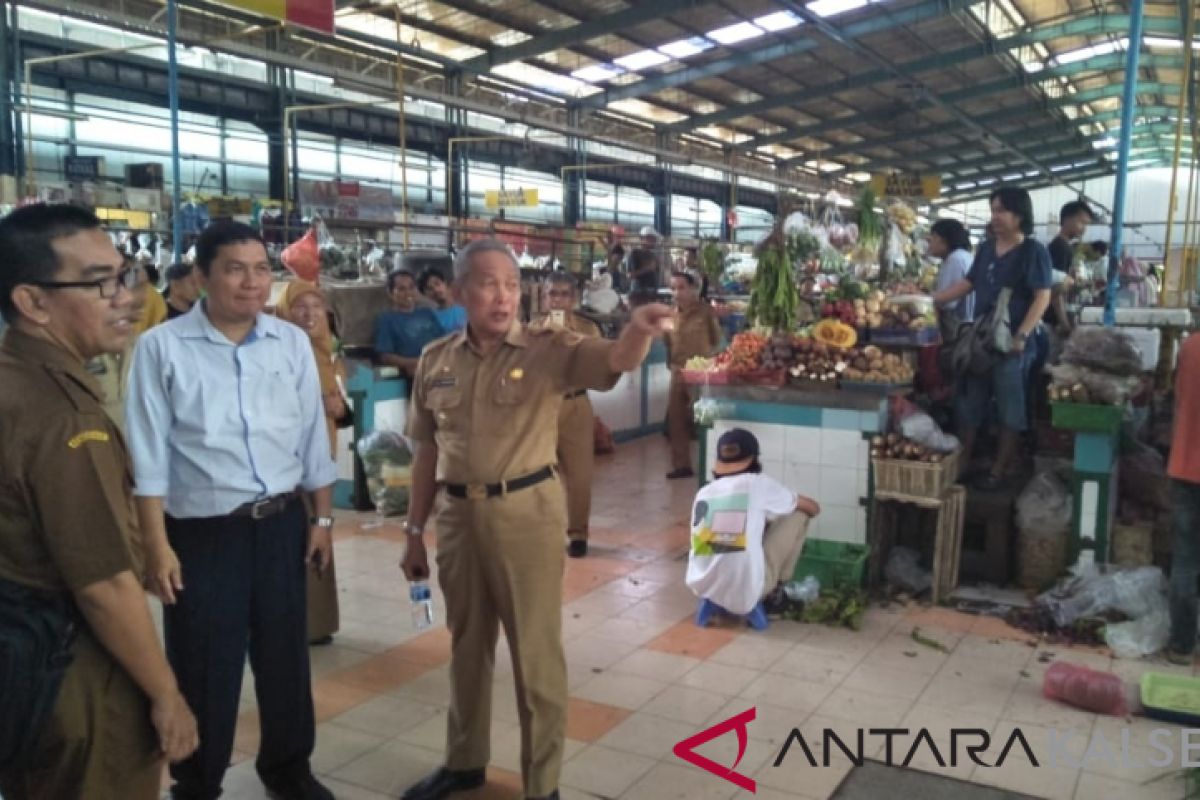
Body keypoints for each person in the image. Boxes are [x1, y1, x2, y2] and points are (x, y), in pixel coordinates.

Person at [398, 239, 673, 800]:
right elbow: (426, 451)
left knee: (536, 656)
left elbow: (614, 361)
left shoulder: (548, 348)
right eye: (487, 283)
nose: (502, 296)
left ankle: (541, 785)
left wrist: (639, 329)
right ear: (457, 292)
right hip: (456, 519)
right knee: (466, 646)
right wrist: (412, 531)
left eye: (511, 284)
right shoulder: (436, 359)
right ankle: (463, 761)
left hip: (527, 515)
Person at [126, 220, 338, 800]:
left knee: (285, 657)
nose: (251, 283)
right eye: (235, 269)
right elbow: (147, 455)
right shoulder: (160, 349)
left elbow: (311, 441)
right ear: (201, 277)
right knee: (204, 665)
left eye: (261, 269)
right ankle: (197, 781)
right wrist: (155, 545)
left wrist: (321, 522)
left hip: (280, 525)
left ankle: (289, 770)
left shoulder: (289, 343)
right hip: (201, 535)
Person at [0, 203, 198, 799]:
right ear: (33, 302)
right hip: (72, 668)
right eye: (99, 283)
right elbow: (104, 585)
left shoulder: (13, 377)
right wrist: (167, 694)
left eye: (123, 274)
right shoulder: (63, 414)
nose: (126, 297)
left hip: (22, 658)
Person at [933, 187, 1052, 491]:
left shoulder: (1033, 251)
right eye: (993, 209)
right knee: (970, 402)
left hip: (1013, 344)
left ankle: (999, 470)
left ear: (1019, 215)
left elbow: (1042, 297)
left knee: (1010, 407)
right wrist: (931, 299)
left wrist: (1022, 335)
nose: (995, 216)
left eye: (1001, 210)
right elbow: (968, 283)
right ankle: (964, 462)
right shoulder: (986, 248)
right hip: (982, 340)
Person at [686, 428, 820, 618]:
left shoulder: (704, 492)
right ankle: (776, 592)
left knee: (735, 538)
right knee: (799, 515)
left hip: (703, 585)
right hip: (746, 591)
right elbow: (813, 508)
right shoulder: (757, 484)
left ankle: (765, 588)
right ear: (754, 459)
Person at [275, 279, 344, 647]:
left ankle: (317, 623)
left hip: (322, 462)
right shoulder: (280, 352)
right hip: (291, 468)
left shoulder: (327, 351)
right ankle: (296, 623)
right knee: (300, 544)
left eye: (316, 307)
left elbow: (342, 403)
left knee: (319, 536)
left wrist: (338, 406)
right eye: (300, 306)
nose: (309, 314)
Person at [536, 272, 603, 558]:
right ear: (544, 297)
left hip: (576, 404)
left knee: (580, 476)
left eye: (564, 294)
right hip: (542, 407)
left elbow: (598, 365)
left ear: (573, 299)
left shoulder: (588, 329)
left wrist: (569, 341)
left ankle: (578, 534)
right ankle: (542, 532)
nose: (557, 300)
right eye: (552, 294)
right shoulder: (531, 330)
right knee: (538, 474)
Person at [664, 270, 722, 480]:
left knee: (705, 419)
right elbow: (667, 342)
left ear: (692, 289)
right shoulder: (670, 314)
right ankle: (681, 465)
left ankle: (715, 465)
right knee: (677, 421)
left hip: (701, 372)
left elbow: (716, 339)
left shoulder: (706, 312)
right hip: (677, 371)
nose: (677, 293)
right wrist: (672, 366)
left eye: (681, 288)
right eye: (673, 288)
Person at [1167, 334, 1200, 664]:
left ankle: (1181, 645)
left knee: (1186, 561)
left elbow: (1178, 398)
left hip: (1184, 467)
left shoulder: (1190, 346)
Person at [375, 269, 446, 378]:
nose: (408, 292)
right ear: (391, 293)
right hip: (415, 372)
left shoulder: (427, 313)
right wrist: (415, 362)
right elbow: (385, 356)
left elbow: (444, 341)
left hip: (439, 366)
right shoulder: (387, 320)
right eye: (401, 289)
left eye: (411, 287)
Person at [928, 219, 975, 340]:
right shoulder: (962, 256)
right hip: (965, 326)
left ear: (945, 240)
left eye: (933, 237)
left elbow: (947, 302)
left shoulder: (955, 259)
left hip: (957, 328)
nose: (929, 241)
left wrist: (924, 297)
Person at [419, 266, 467, 331]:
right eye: (430, 288)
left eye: (437, 283)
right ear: (425, 294)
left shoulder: (467, 304)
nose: (436, 290)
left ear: (445, 282)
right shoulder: (433, 319)